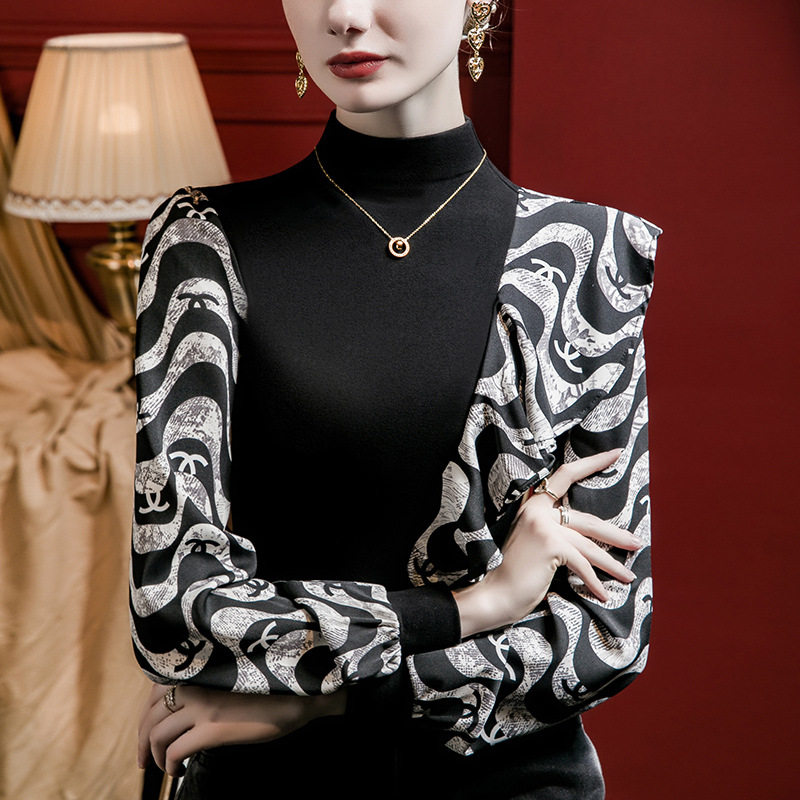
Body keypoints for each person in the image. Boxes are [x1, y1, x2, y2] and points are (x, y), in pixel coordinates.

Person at [132, 2, 662, 797]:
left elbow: (605, 637)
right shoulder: (202, 243)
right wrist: (479, 604)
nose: (345, 15)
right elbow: (175, 609)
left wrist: (320, 697)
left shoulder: (588, 259)